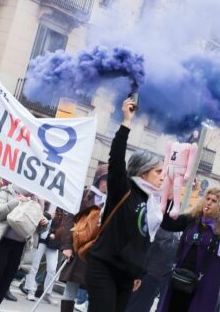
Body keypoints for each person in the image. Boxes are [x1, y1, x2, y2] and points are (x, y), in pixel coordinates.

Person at [84, 97, 165, 312]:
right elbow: (116, 157)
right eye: (158, 172)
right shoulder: (124, 188)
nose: (162, 177)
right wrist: (126, 121)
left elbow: (143, 240)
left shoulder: (151, 202)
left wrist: (138, 273)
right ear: (143, 171)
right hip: (104, 267)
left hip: (128, 276)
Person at [159, 188, 220, 311]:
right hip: (181, 279)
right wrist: (168, 200)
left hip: (205, 285)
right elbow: (167, 224)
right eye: (207, 199)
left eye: (214, 201)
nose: (209, 203)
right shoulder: (192, 219)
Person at [0, 184, 48, 312]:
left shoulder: (38, 200)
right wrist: (16, 201)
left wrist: (43, 224)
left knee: (6, 279)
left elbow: (36, 229)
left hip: (21, 246)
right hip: (1, 242)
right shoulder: (8, 191)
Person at [59, 165, 108, 312]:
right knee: (70, 290)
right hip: (79, 249)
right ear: (98, 179)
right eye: (105, 179)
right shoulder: (84, 195)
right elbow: (69, 219)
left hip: (98, 253)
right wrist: (67, 246)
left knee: (95, 295)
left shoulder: (112, 201)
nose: (108, 183)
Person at [124, 228, 180, 312]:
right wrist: (182, 246)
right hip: (150, 273)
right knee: (138, 306)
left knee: (145, 306)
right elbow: (164, 246)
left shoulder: (177, 229)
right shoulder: (166, 226)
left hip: (162, 274)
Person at [24, 205, 61, 304]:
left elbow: (64, 224)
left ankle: (47, 293)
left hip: (53, 241)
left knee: (52, 269)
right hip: (40, 237)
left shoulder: (63, 206)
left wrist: (55, 233)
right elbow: (35, 212)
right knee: (34, 265)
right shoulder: (45, 201)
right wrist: (47, 215)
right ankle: (30, 291)